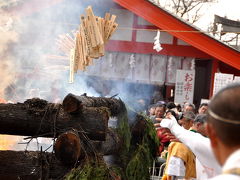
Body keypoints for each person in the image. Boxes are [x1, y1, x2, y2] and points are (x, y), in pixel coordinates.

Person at [161, 83, 240, 179]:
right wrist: (175, 128)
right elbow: (194, 139)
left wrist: (173, 126)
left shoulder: (209, 147)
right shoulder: (204, 145)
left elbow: (194, 140)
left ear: (210, 130)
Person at [162, 111, 197, 180]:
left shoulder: (193, 136)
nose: (182, 126)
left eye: (184, 124)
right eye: (181, 124)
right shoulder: (182, 135)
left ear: (191, 122)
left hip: (184, 171)